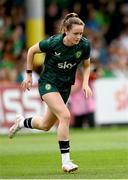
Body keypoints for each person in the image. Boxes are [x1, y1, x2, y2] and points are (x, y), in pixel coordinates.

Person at [9, 12, 92, 173]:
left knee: (45, 125)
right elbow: (31, 51)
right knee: (65, 116)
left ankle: (21, 122)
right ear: (66, 31)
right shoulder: (53, 43)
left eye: (81, 33)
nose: (78, 37)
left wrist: (86, 83)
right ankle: (66, 162)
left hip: (65, 86)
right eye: (75, 33)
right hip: (48, 84)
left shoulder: (84, 45)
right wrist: (28, 74)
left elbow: (87, 65)